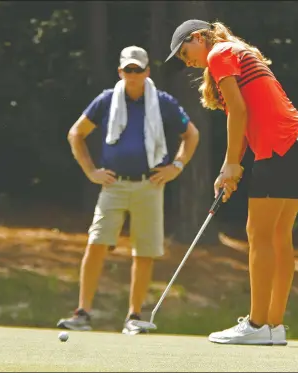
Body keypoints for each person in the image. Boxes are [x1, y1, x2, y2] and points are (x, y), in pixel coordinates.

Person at [165, 20, 298, 345]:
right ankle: (274, 327)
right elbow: (249, 114)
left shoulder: (220, 52)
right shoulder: (239, 51)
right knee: (279, 237)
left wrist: (231, 163)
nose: (186, 60)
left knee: (259, 234)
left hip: (280, 147)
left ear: (198, 37)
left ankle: (256, 323)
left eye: (184, 51)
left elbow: (237, 110)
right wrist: (233, 168)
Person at [57, 46, 199, 335]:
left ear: (147, 71)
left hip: (150, 184)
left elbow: (191, 134)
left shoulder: (162, 102)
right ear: (120, 72)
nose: (132, 75)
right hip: (113, 184)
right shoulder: (107, 100)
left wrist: (177, 166)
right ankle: (83, 312)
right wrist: (90, 172)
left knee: (144, 251)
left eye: (138, 70)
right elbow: (76, 133)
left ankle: (133, 316)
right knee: (96, 243)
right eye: (127, 70)